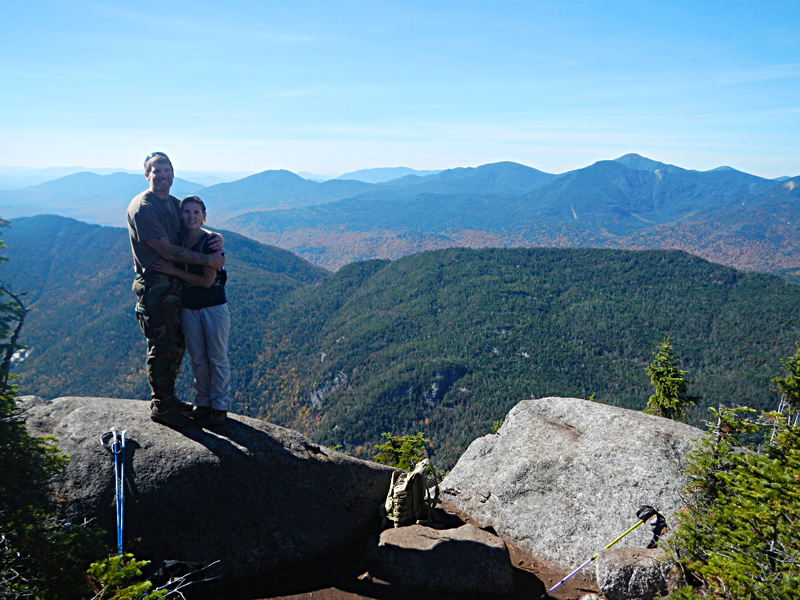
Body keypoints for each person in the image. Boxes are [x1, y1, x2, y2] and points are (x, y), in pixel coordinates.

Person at [126, 152, 225, 428]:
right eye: (156, 171)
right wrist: (208, 260)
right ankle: (161, 405)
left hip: (174, 288)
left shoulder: (173, 203)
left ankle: (168, 399)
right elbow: (166, 250)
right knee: (162, 346)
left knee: (176, 345)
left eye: (167, 170)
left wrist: (215, 237)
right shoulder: (143, 207)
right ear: (147, 175)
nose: (162, 176)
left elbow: (195, 221)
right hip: (155, 289)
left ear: (173, 174)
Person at [153, 196, 231, 427]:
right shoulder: (178, 240)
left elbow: (207, 282)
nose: (191, 216)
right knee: (198, 358)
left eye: (196, 212)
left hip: (213, 307)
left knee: (216, 356)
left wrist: (172, 271)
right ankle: (203, 403)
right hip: (189, 307)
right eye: (187, 212)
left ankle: (219, 406)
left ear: (203, 216)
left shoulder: (209, 243)